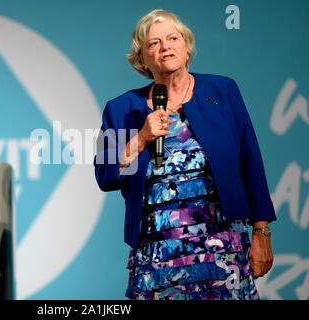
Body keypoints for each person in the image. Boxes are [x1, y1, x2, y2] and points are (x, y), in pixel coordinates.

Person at [94, 9, 276, 300]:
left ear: (187, 48)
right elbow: (105, 175)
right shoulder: (121, 109)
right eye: (153, 43)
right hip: (158, 257)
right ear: (142, 60)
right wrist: (140, 138)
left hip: (223, 250)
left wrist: (261, 232)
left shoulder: (222, 90)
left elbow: (250, 162)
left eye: (172, 38)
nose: (165, 46)